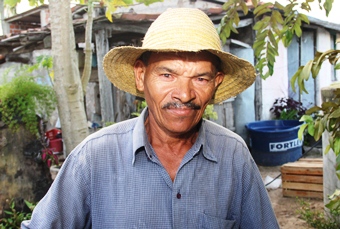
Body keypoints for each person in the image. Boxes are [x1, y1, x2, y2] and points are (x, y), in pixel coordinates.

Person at [22, 8, 279, 228]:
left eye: (200, 78)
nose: (184, 94)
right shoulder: (94, 158)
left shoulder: (233, 155)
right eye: (167, 75)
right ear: (140, 76)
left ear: (216, 84)